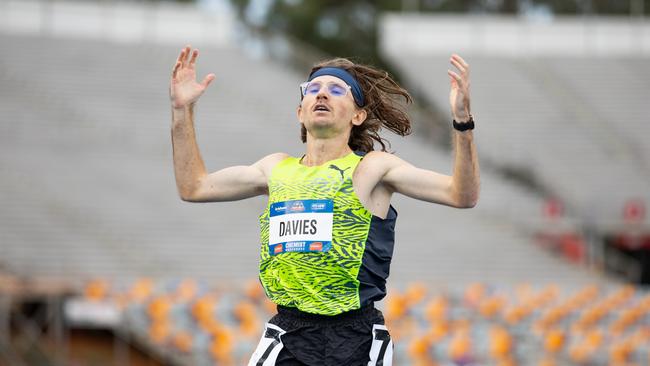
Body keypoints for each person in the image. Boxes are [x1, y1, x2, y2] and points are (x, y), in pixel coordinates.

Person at [169, 45, 479, 365]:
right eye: (313, 89)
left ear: (358, 115)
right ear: (300, 112)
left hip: (356, 337)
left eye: (336, 89)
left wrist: (462, 122)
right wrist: (182, 110)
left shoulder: (373, 168)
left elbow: (461, 195)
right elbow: (194, 187)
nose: (322, 95)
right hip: (288, 334)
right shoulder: (275, 169)